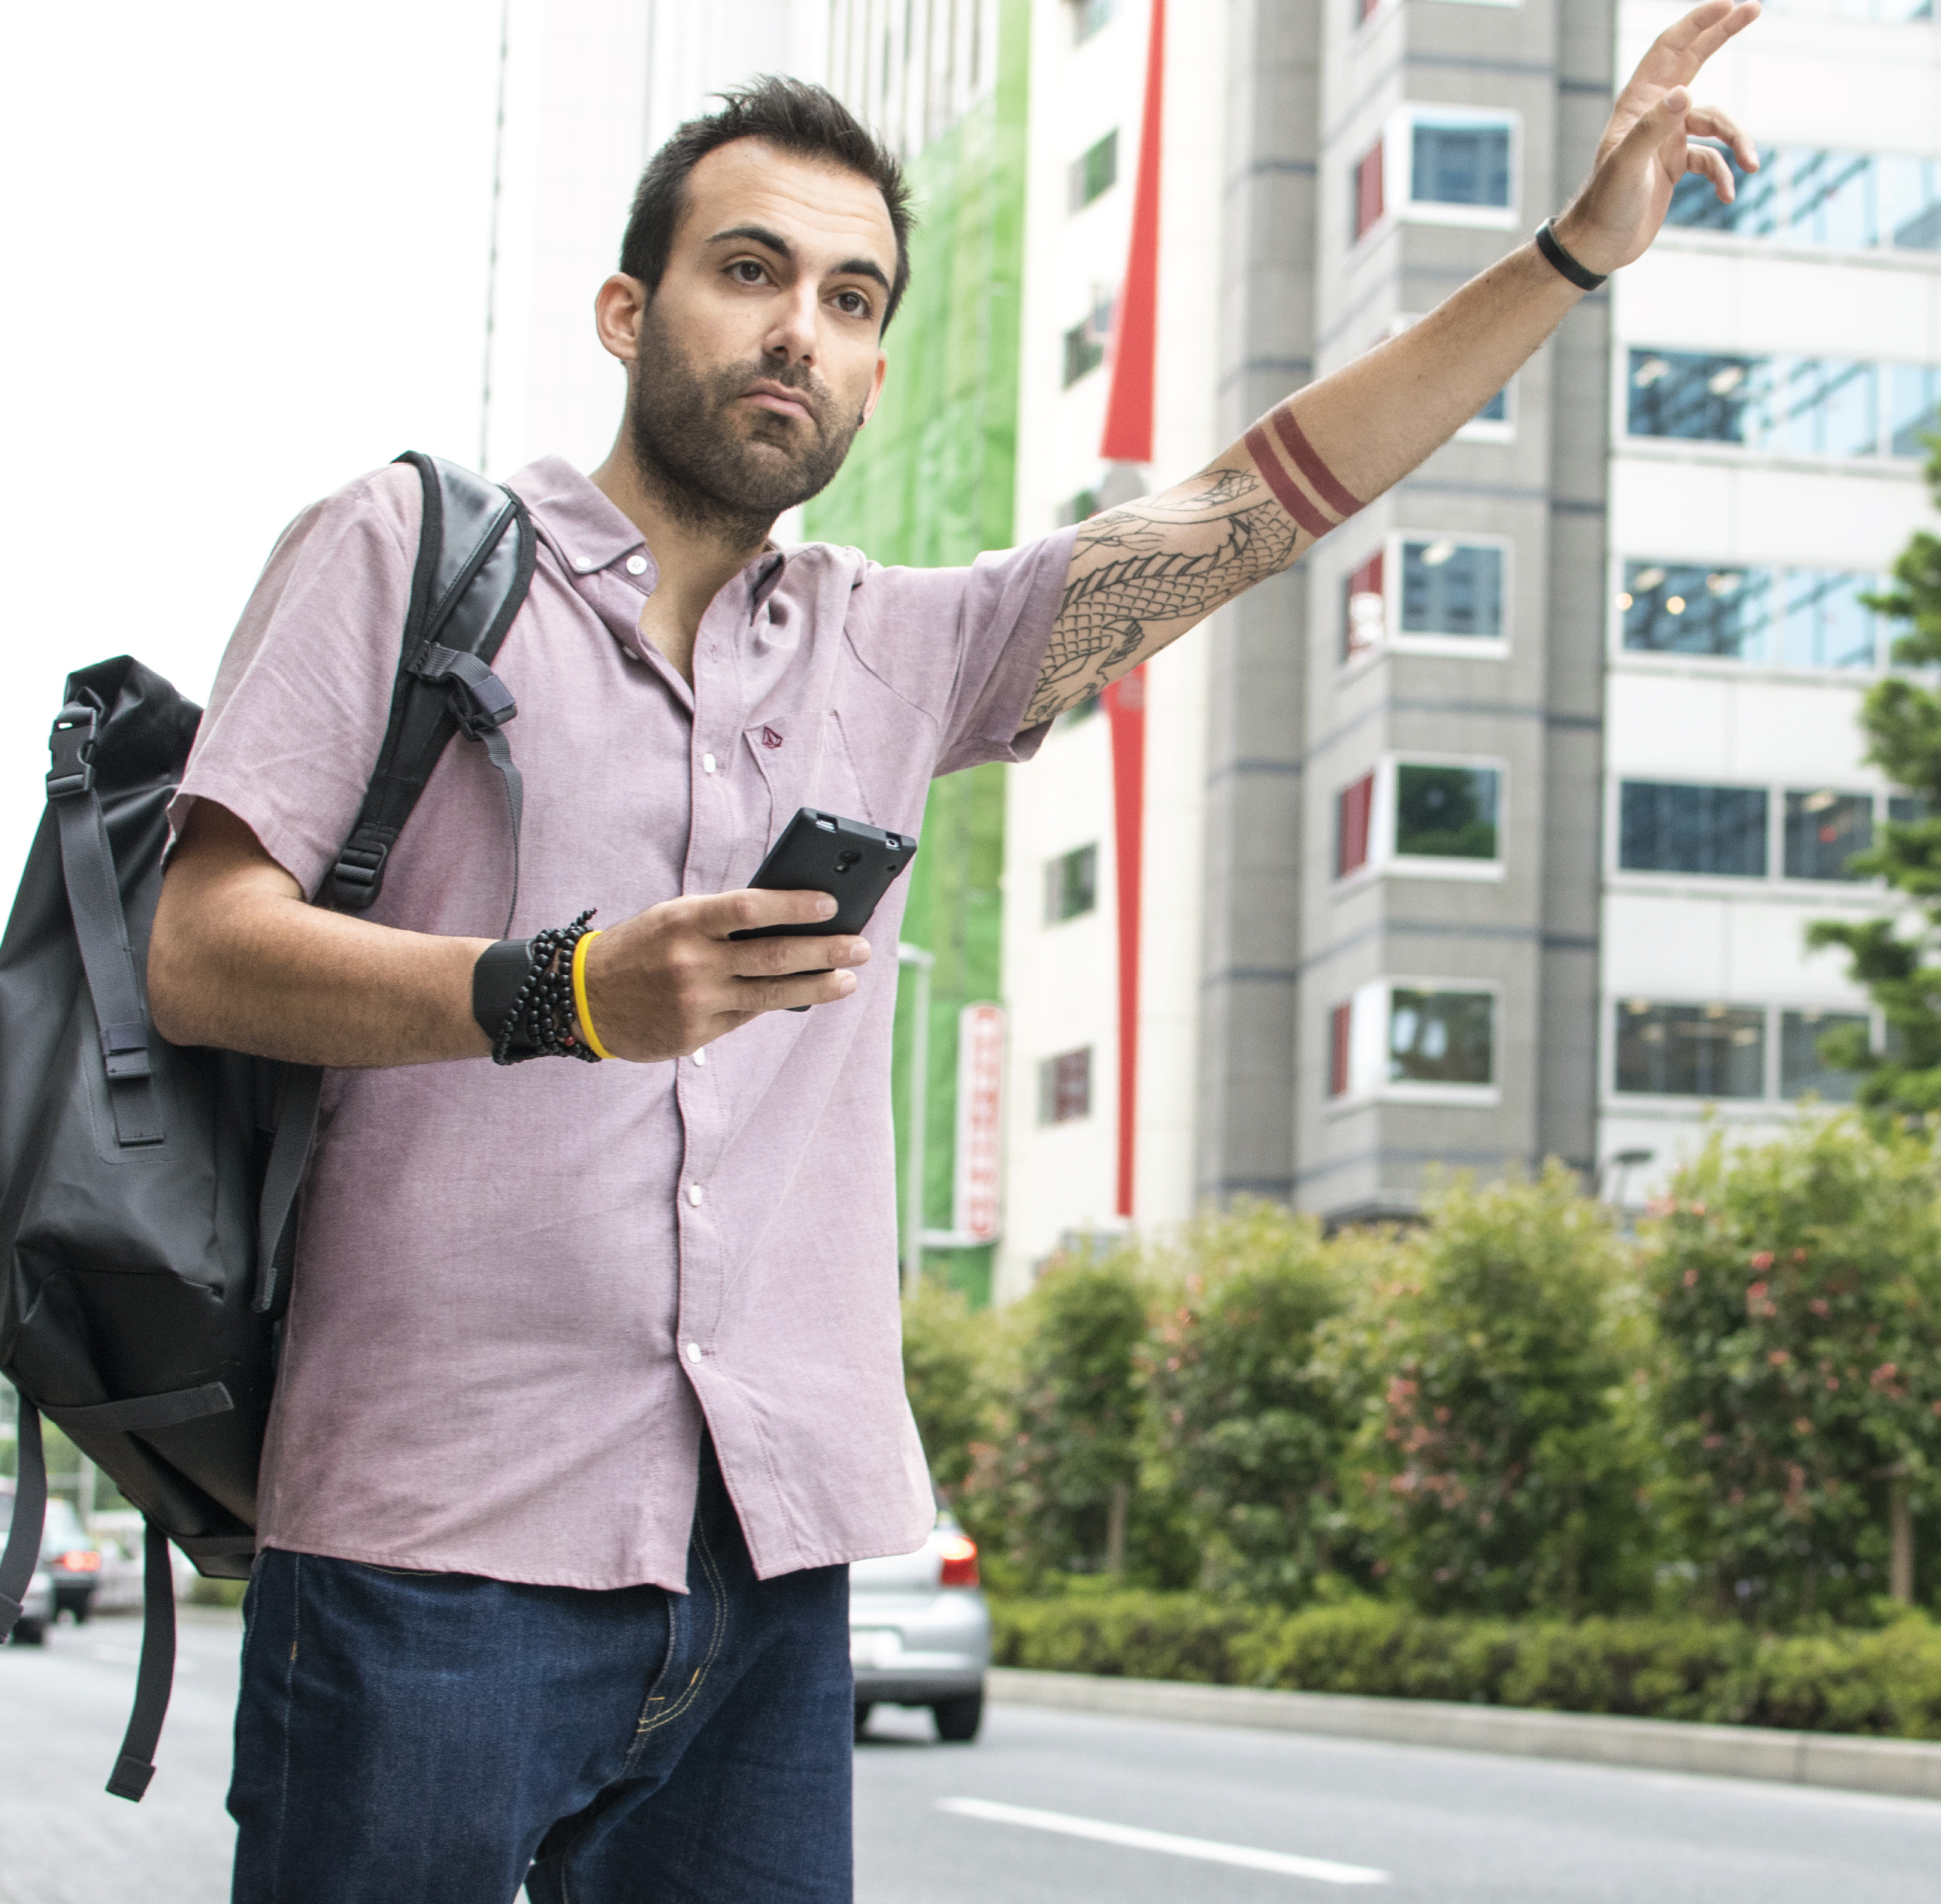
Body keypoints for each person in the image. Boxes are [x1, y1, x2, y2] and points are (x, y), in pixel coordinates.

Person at [146, 10, 1758, 1899]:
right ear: (624, 306)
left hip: (763, 1567)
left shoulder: (903, 649)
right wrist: (554, 988)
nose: (795, 332)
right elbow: (203, 947)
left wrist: (1565, 257)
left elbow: (1258, 500)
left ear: (876, 363)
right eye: (749, 272)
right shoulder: (402, 548)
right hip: (437, 1537)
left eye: (847, 299)